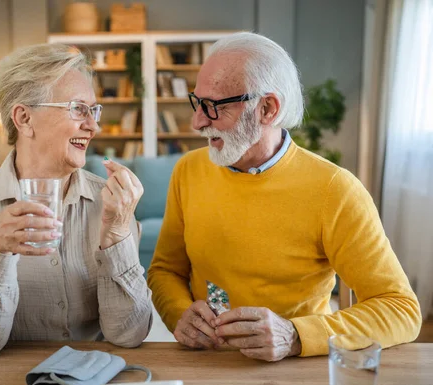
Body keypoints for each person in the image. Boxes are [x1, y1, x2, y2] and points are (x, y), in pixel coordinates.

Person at [147, 32, 421, 362]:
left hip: (295, 369)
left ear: (267, 108)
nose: (197, 121)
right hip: (207, 362)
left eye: (214, 106)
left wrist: (295, 336)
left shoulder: (335, 189)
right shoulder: (188, 170)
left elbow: (401, 309)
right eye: (198, 102)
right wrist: (180, 313)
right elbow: (165, 271)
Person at [0, 44, 152, 358]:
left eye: (94, 110)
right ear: (24, 118)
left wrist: (118, 232)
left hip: (92, 377)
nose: (94, 126)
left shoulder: (110, 202)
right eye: (78, 109)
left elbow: (128, 334)